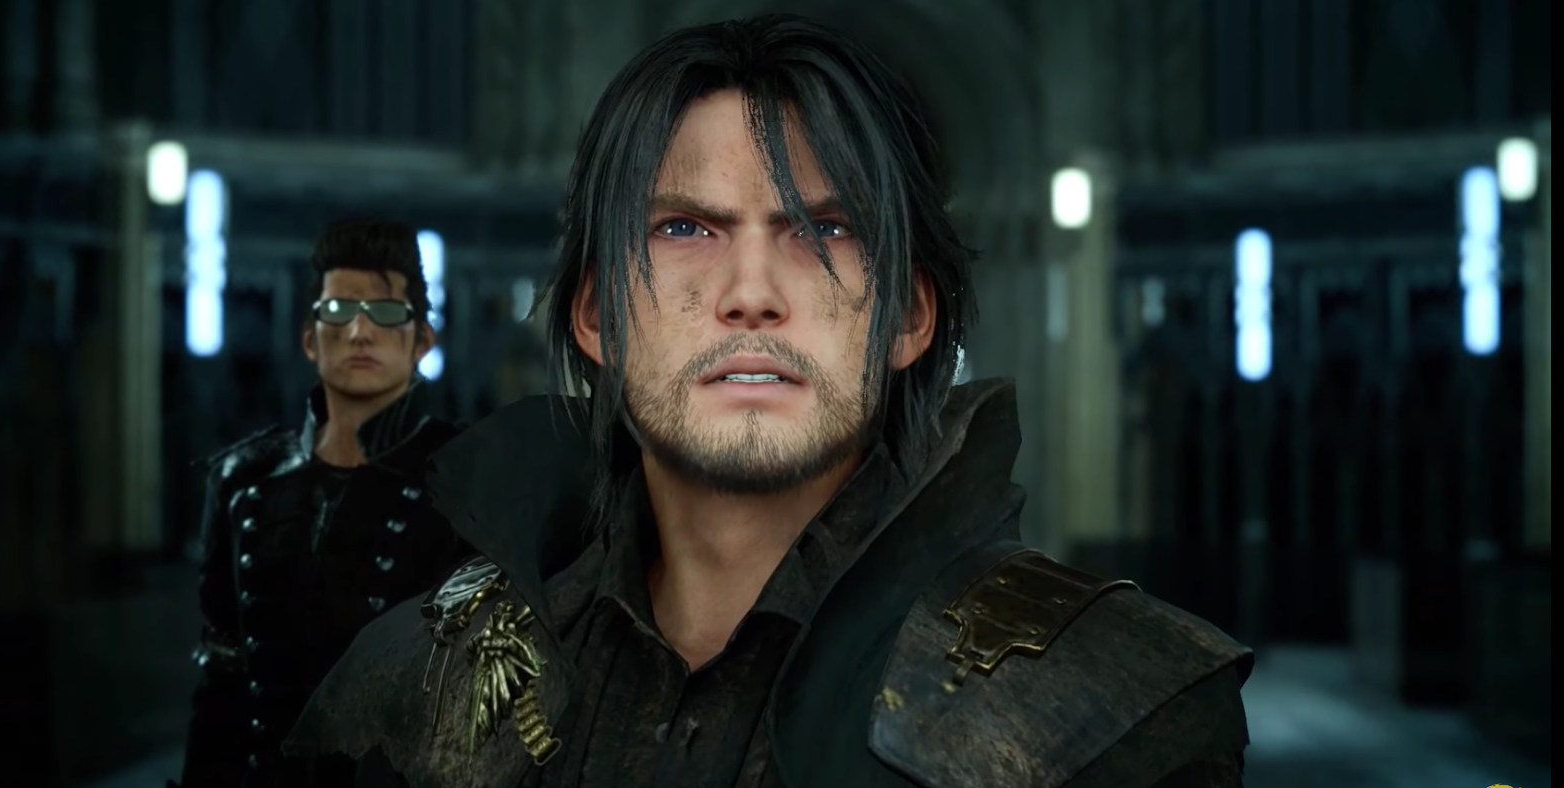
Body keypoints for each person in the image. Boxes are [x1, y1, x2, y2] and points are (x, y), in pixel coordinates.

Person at [285, 15, 1253, 788]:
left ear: (910, 317)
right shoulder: (410, 684)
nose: (751, 291)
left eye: (823, 230)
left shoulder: (1113, 710)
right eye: (684, 228)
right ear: (596, 314)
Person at [177, 218, 471, 787]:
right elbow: (221, 679)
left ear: (422, 341)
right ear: (310, 338)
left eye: (385, 312)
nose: (359, 331)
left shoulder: (465, 479)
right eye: (338, 310)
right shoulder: (245, 481)